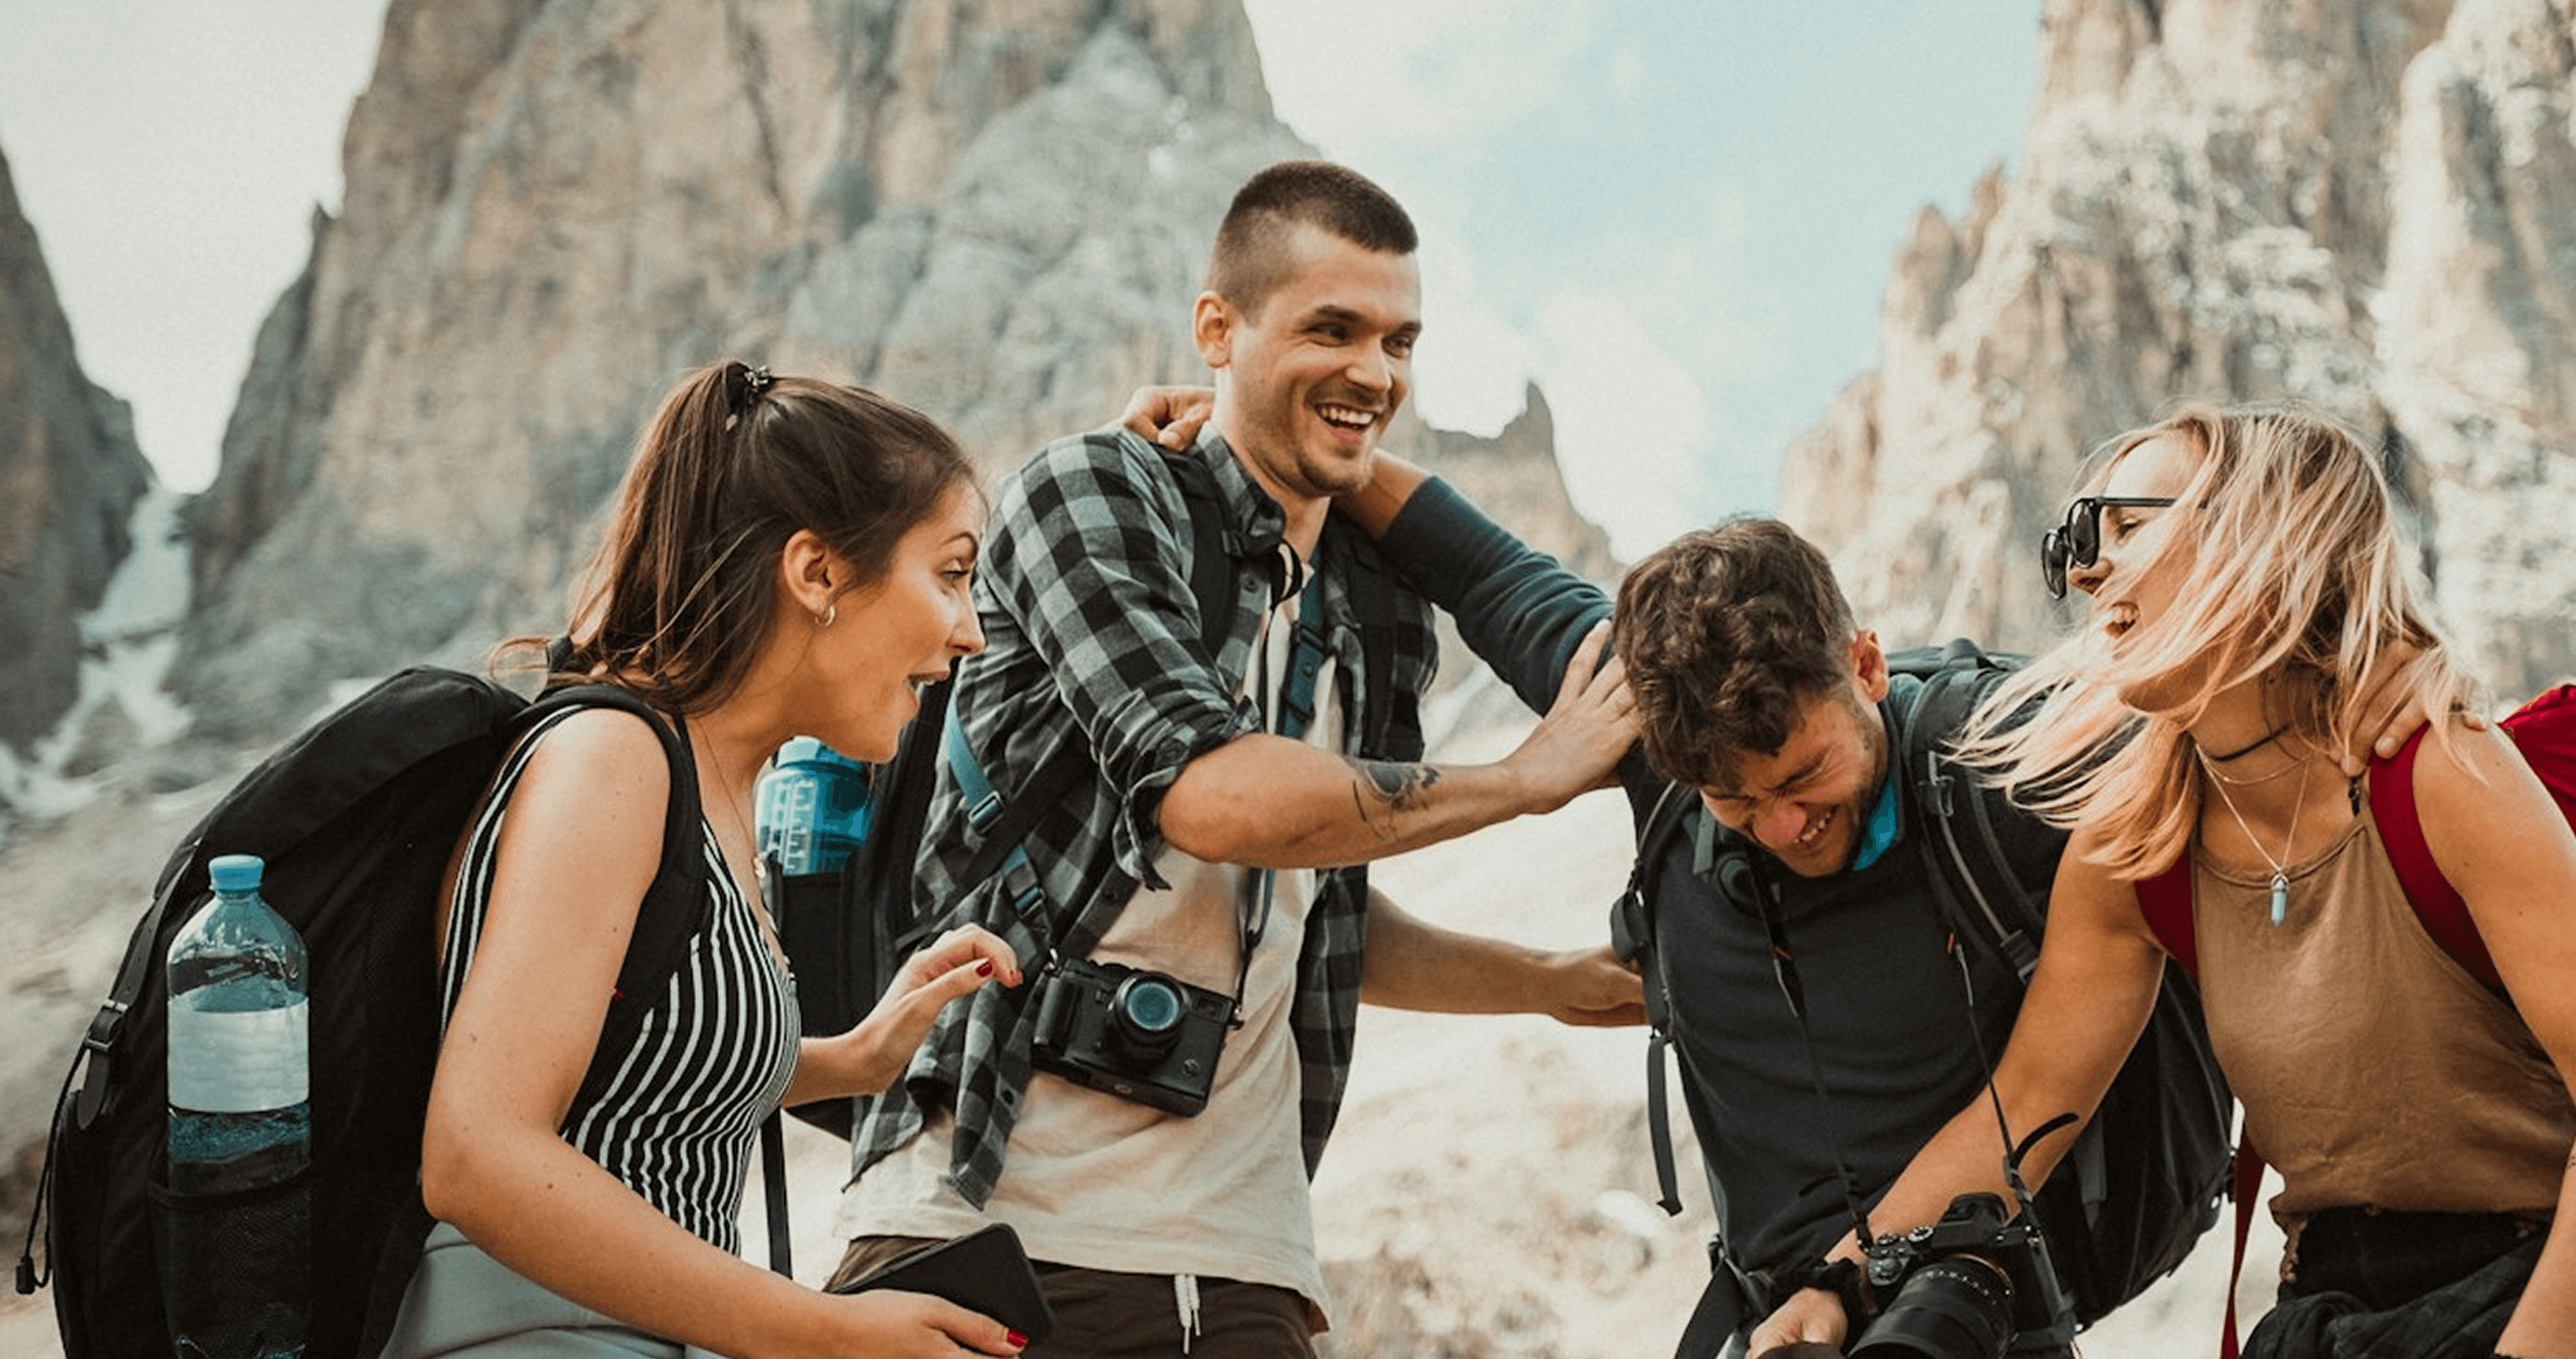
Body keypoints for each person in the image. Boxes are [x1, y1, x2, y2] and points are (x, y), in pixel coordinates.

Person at [1256, 440, 2420, 1359]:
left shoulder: (2016, 753)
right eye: (1733, 798)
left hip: (1997, 1296)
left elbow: (2263, 724)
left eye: (1806, 776)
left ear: (1866, 665)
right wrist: (1260, 430)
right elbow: (1477, 565)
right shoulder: (1653, 730)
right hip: (1775, 1319)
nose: (1779, 825)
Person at [830, 160, 1643, 1358]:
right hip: (985, 1230)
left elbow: (1318, 892)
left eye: (1399, 342)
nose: (1376, 371)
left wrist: (1547, 982)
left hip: (1246, 1270)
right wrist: (1524, 784)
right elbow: (1212, 799)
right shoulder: (1092, 492)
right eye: (1332, 329)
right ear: (1217, 327)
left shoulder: (1375, 612)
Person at [1753, 403, 2576, 1359]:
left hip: (2569, 1291)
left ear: (2264, 536)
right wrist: (1840, 1279)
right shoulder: (2138, 841)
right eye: (2075, 543)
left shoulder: (2438, 771)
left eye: (2127, 526)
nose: (2085, 569)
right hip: (2334, 1305)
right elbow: (2027, 1106)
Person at [395, 360, 1032, 1359]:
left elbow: (635, 1065)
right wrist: (828, 1332)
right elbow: (476, 1155)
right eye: (950, 573)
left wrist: (857, 1055)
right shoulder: (614, 761)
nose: (970, 631)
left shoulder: (709, 787)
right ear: (817, 572)